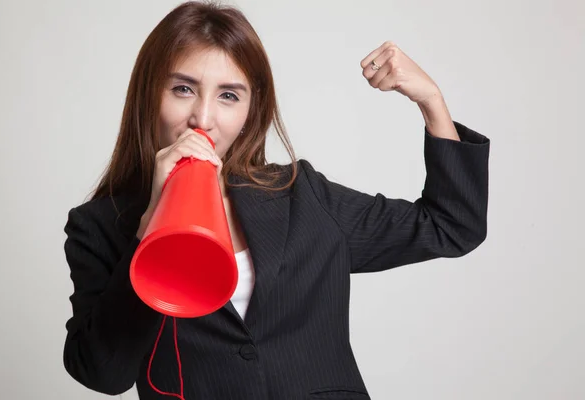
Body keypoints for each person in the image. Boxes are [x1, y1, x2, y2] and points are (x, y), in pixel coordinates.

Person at [62, 1, 490, 399]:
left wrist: (431, 100)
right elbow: (103, 374)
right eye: (183, 89)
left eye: (228, 95)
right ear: (149, 96)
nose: (203, 119)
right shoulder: (99, 226)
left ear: (251, 111)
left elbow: (451, 226)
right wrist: (150, 224)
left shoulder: (302, 196)